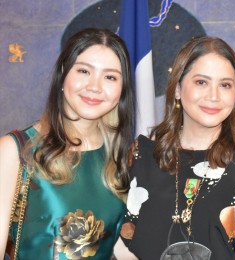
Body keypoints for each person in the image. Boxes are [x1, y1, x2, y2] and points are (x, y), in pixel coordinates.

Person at [114, 36, 235, 259]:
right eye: (201, 82)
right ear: (177, 89)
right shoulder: (142, 156)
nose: (214, 96)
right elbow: (120, 242)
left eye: (225, 85)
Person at [0, 28, 134, 259]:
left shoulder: (118, 156)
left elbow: (114, 247)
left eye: (110, 76)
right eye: (84, 71)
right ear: (62, 74)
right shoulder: (16, 150)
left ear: (121, 90)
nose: (95, 86)